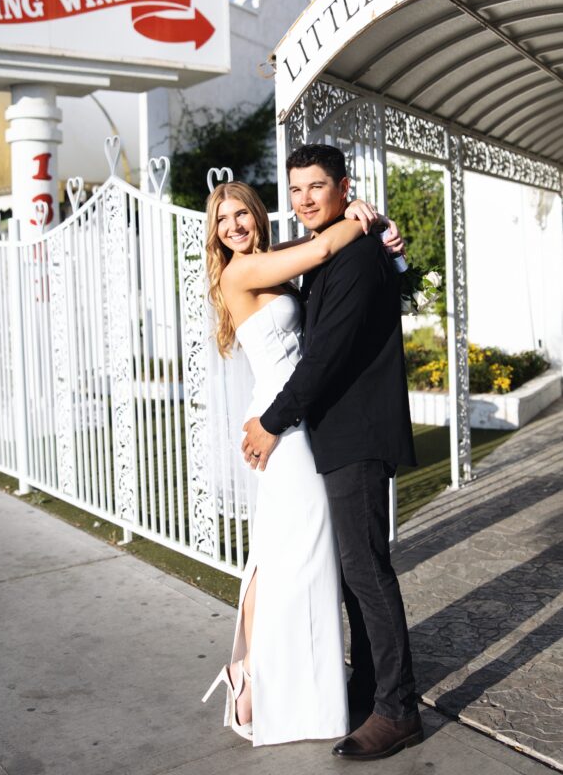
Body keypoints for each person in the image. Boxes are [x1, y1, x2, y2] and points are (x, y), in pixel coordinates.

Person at [202, 178, 403, 747]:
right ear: (215, 236)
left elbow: (319, 265)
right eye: (223, 221)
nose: (235, 226)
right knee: (292, 555)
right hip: (281, 428)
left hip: (301, 421)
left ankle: (270, 678)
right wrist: (362, 218)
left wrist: (372, 222)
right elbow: (320, 248)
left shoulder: (273, 260)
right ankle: (258, 679)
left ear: (257, 216)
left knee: (300, 556)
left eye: (241, 214)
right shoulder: (238, 273)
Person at [242, 143, 423, 761]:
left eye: (316, 187)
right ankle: (370, 687)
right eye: (295, 190)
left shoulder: (352, 255)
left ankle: (398, 712)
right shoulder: (336, 252)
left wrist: (270, 422)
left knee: (367, 572)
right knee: (353, 573)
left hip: (358, 433)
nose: (304, 199)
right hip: (333, 435)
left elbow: (324, 359)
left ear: (345, 187)